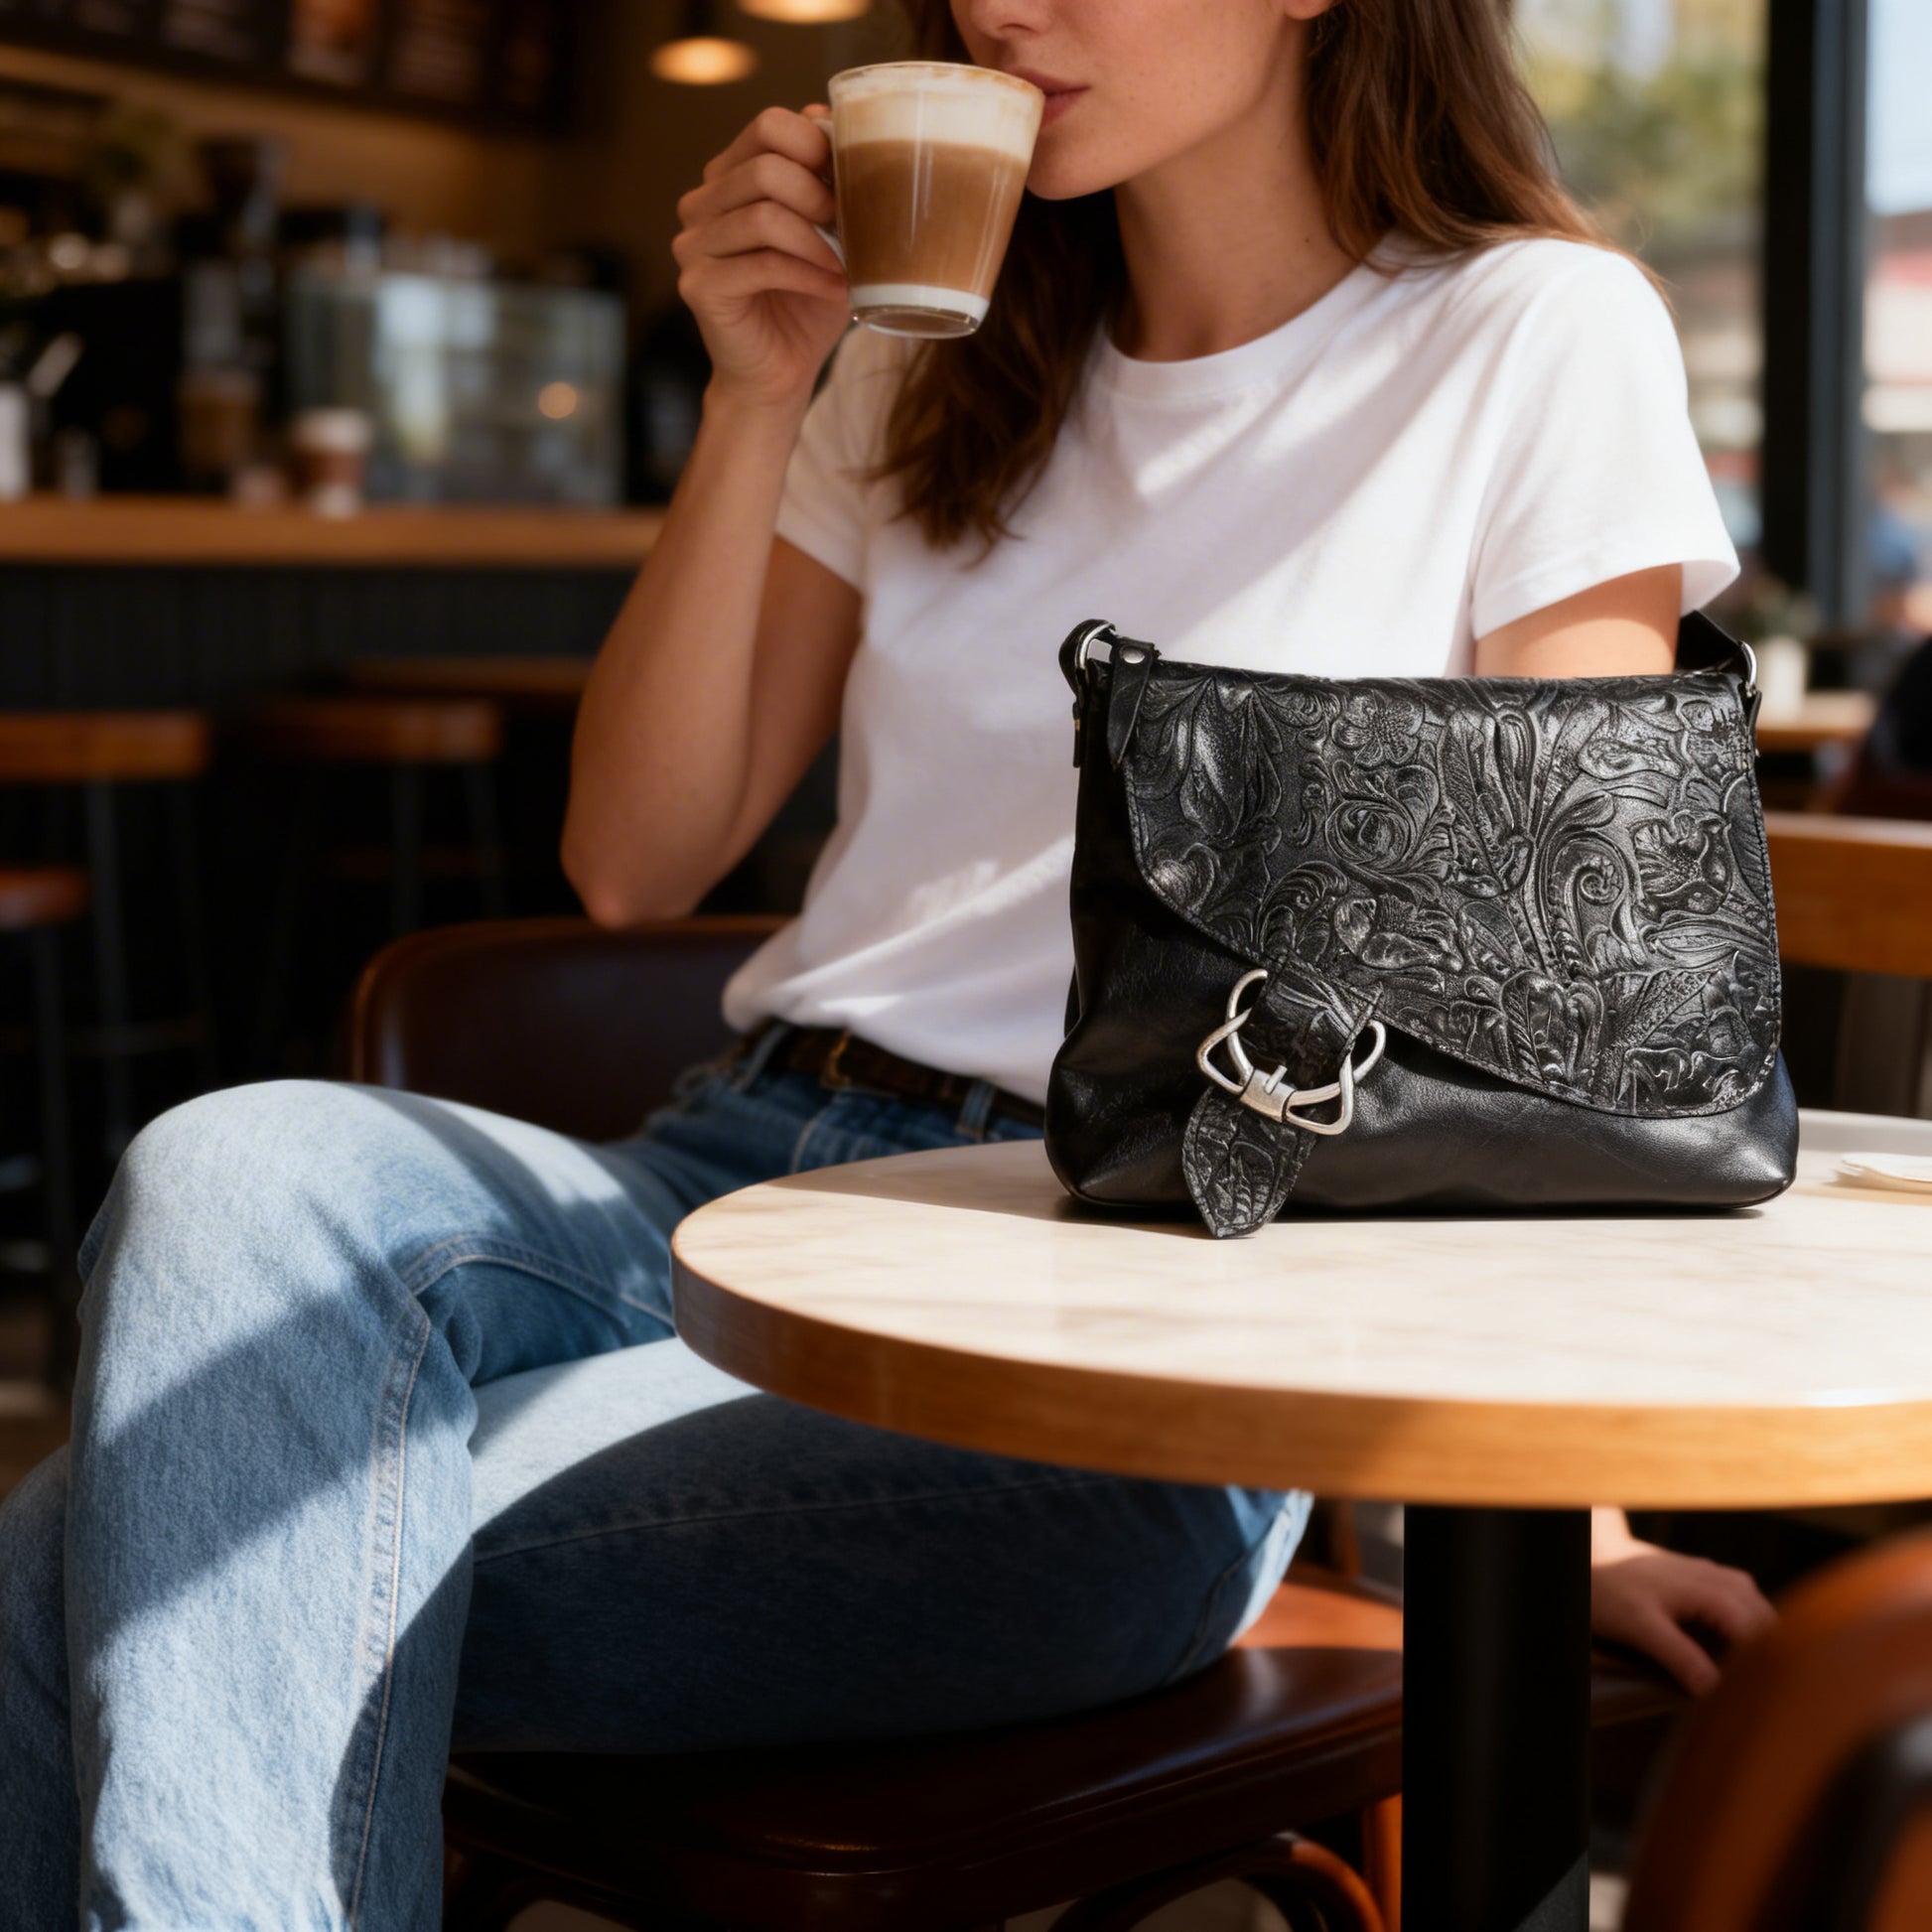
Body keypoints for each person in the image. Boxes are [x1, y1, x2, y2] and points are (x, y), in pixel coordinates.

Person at [0, 0, 1775, 1923]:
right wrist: (757, 394)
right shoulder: (930, 353)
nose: (1000, 3)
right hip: (739, 1183)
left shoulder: (1528, 338)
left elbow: (1556, 1009)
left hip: (1121, 1324)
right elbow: (632, 856)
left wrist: (1565, 1513)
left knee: (82, 1554)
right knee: (227, 1166)